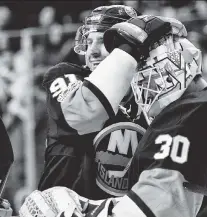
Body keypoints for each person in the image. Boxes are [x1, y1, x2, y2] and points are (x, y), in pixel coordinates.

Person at [21, 15, 207, 217]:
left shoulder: (191, 113)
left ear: (170, 67)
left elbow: (158, 209)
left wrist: (79, 209)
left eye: (144, 72)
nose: (138, 84)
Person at [37, 5, 148, 200]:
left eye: (103, 41)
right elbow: (82, 114)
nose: (92, 52)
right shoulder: (65, 76)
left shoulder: (148, 96)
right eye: (88, 42)